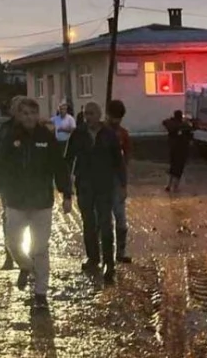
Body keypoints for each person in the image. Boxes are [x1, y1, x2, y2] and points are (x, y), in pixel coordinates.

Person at [0, 98, 73, 311]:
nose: (29, 118)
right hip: (15, 201)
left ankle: (41, 293)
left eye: (32, 114)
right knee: (13, 244)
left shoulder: (46, 138)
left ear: (38, 115)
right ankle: (25, 266)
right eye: (24, 113)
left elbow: (59, 167)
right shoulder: (10, 137)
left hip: (42, 202)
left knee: (40, 248)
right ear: (18, 115)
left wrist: (67, 194)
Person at [65, 102, 125, 284]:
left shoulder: (109, 134)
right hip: (84, 185)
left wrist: (123, 185)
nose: (87, 117)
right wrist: (66, 186)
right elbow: (68, 159)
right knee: (88, 223)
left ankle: (109, 262)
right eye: (85, 114)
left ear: (99, 115)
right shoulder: (78, 134)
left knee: (106, 223)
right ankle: (93, 258)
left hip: (104, 185)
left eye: (91, 113)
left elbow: (118, 161)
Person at [0, 95, 26, 271]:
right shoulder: (4, 130)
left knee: (31, 219)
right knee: (9, 219)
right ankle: (9, 255)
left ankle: (30, 256)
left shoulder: (36, 130)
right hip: (9, 183)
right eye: (17, 107)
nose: (20, 111)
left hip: (30, 183)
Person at [105, 99, 133, 263]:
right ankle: (105, 252)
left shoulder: (123, 134)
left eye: (119, 118)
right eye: (114, 117)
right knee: (103, 220)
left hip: (116, 180)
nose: (116, 121)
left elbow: (126, 159)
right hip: (100, 181)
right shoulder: (99, 131)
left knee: (121, 218)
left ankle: (120, 252)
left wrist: (123, 183)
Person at [163, 110, 193, 193]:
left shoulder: (171, 124)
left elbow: (164, 122)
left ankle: (169, 185)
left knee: (172, 166)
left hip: (172, 148)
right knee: (179, 168)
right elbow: (192, 128)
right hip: (182, 149)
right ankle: (175, 187)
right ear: (181, 116)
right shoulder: (184, 125)